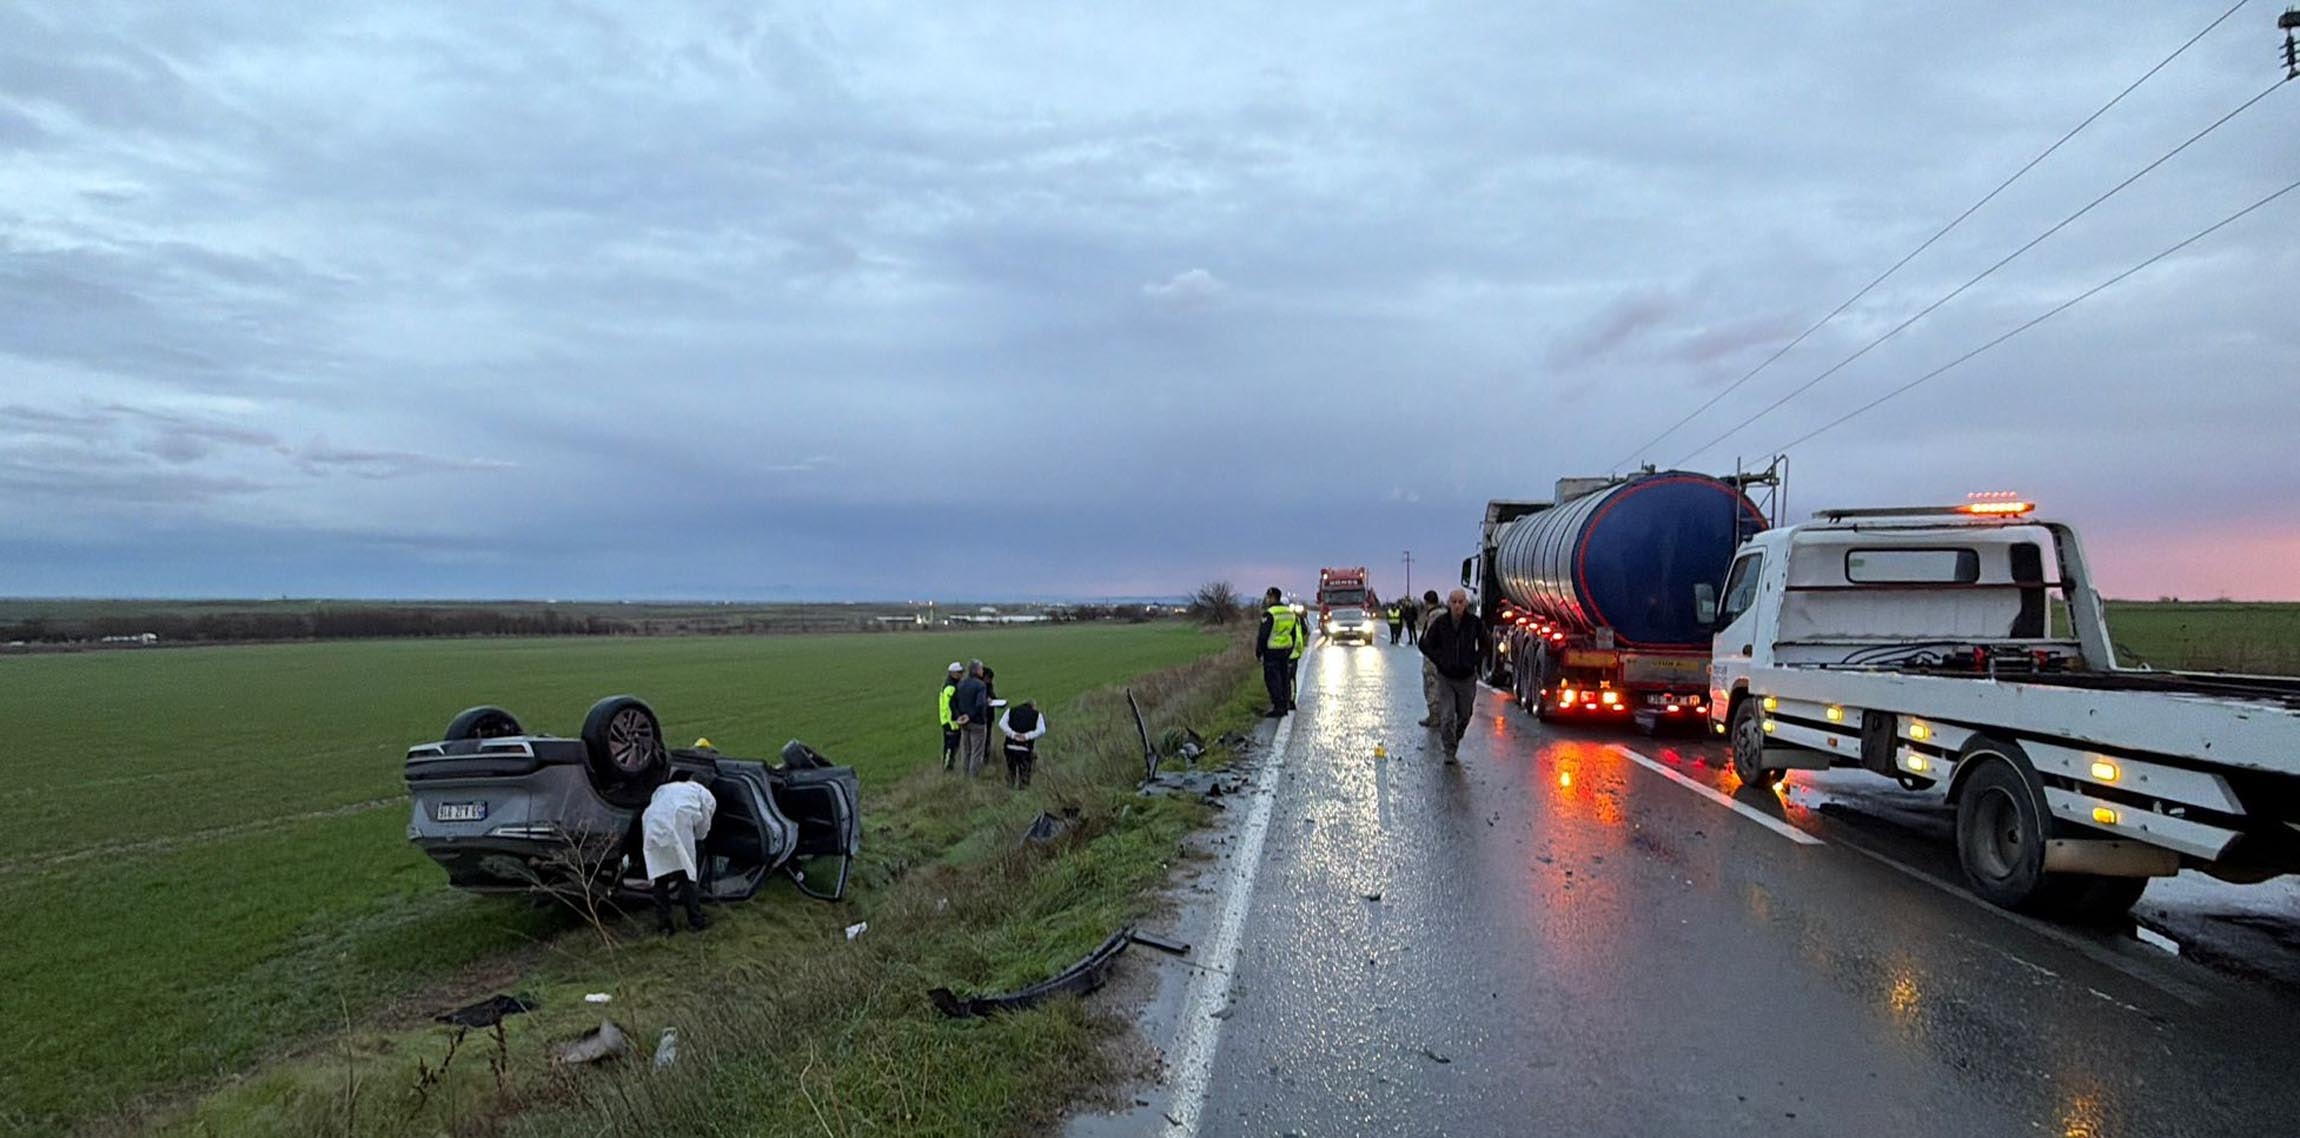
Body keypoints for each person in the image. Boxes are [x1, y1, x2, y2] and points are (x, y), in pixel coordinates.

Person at [1419, 588, 1492, 763]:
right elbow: (1426, 644)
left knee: (1464, 715)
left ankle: (1455, 738)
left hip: (1466, 678)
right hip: (1446, 678)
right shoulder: (1441, 623)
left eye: (1461, 602)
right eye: (1454, 602)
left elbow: (1487, 643)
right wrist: (1440, 661)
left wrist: (1475, 660)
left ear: (1466, 603)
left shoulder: (1474, 623)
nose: (1458, 606)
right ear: (1448, 603)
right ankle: (1449, 750)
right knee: (1447, 716)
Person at [640, 769, 717, 934]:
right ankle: (696, 921)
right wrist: (698, 840)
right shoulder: (705, 794)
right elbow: (704, 828)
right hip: (678, 826)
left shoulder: (668, 787)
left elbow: (655, 800)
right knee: (687, 875)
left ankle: (665, 926)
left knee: (660, 876)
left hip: (652, 824)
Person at [1255, 587, 1304, 717]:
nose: (1267, 599)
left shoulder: (1270, 613)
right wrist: (1290, 648)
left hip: (1271, 652)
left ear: (1272, 597)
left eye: (1268, 597)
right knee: (1284, 678)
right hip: (1285, 651)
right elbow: (1294, 634)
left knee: (1272, 679)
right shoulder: (1289, 613)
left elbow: (1263, 635)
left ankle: (1278, 707)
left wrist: (1259, 651)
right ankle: (1285, 704)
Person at [952, 659, 991, 777]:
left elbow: (953, 702)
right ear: (977, 670)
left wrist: (959, 716)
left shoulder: (960, 684)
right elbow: (980, 705)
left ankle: (965, 775)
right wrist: (970, 716)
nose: (982, 671)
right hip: (977, 722)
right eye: (981, 668)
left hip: (963, 722)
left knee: (966, 750)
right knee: (976, 751)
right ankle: (973, 778)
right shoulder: (980, 685)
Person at [998, 700, 1048, 788]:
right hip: (1025, 748)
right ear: (1033, 707)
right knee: (1025, 772)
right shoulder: (1037, 715)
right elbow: (1042, 730)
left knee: (1011, 770)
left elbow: (1002, 724)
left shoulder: (1011, 711)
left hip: (1010, 746)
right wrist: (1027, 736)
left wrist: (1013, 734)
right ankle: (1023, 788)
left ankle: (1010, 786)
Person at [1416, 590, 1443, 725]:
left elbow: (1429, 637)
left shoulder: (1433, 616)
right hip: (1445, 657)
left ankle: (1434, 716)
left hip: (1433, 658)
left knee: (1431, 685)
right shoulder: (1446, 614)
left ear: (1427, 602)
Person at [939, 661, 963, 771]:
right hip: (950, 723)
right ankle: (947, 768)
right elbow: (950, 705)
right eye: (959, 673)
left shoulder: (949, 685)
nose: (961, 675)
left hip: (949, 721)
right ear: (953, 673)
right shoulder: (951, 688)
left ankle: (949, 766)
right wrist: (957, 717)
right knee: (950, 747)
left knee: (952, 747)